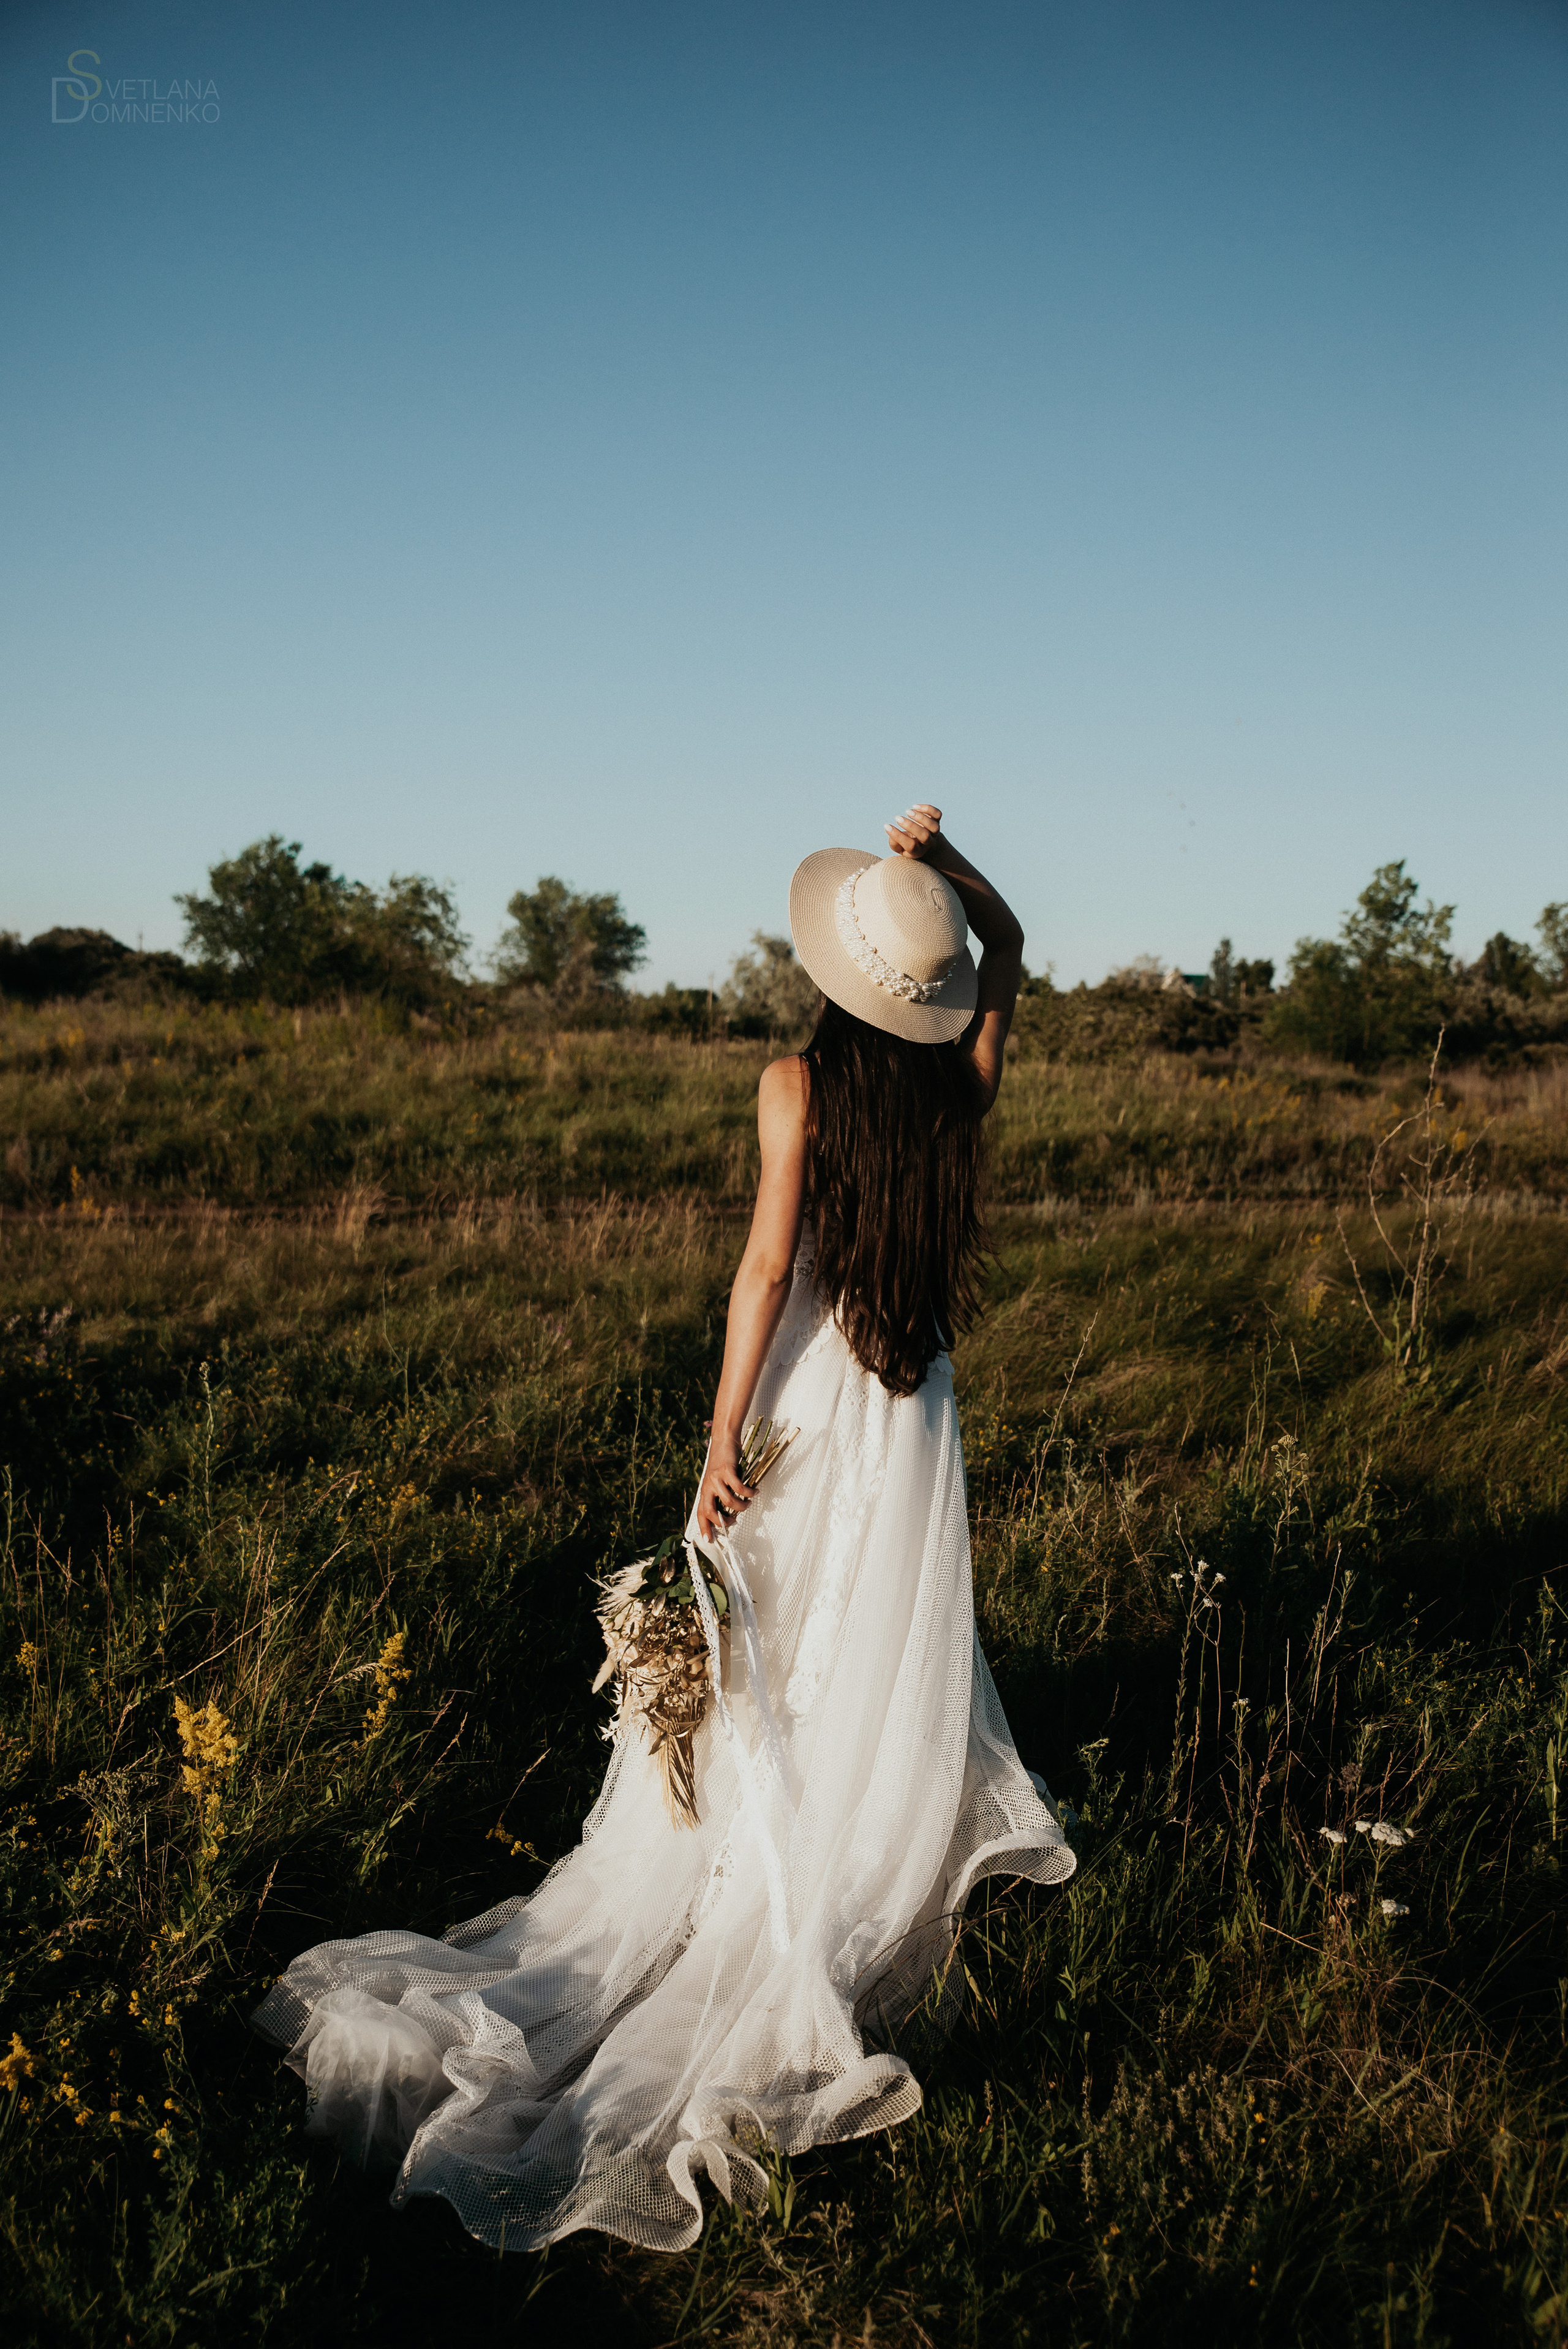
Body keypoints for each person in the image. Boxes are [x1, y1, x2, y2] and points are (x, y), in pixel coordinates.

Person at [252, 804, 1075, 2253]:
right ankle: (841, 1863)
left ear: (838, 973)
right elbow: (1006, 945)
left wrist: (716, 1446)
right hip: (913, 1407)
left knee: (763, 1643)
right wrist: (949, 880)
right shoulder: (961, 1092)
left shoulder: (792, 1086)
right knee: (869, 1646)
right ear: (937, 995)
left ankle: (739, 1880)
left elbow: (765, 1271)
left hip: (812, 1403)